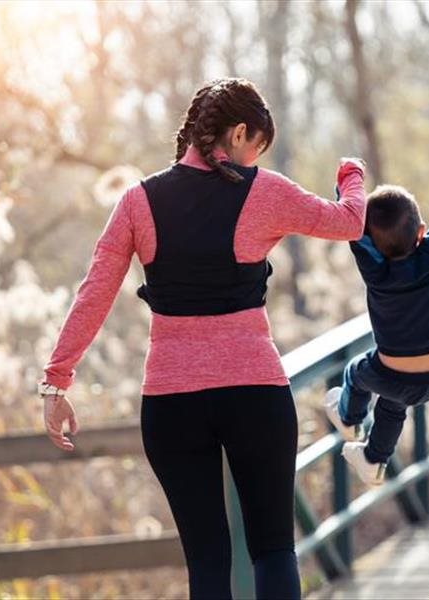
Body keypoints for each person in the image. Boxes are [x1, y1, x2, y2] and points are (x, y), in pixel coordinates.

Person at [38, 78, 368, 600]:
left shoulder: (137, 202)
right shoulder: (262, 191)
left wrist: (56, 382)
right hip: (254, 393)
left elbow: (94, 292)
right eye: (256, 148)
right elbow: (350, 222)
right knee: (274, 549)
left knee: (208, 564)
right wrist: (351, 174)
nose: (256, 160)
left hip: (171, 404)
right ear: (239, 133)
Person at [323, 182, 429, 485]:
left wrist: (345, 187)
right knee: (392, 405)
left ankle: (349, 420)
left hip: (387, 376)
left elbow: (353, 228)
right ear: (420, 231)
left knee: (356, 373)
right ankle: (373, 458)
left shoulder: (375, 270)